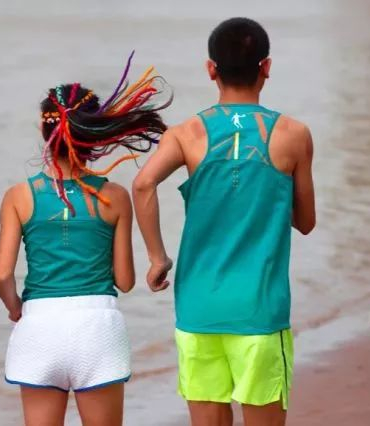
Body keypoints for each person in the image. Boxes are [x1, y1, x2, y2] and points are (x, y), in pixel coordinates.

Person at [133, 17, 316, 426]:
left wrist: (158, 257)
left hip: (198, 307)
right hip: (258, 309)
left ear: (211, 69)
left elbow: (143, 184)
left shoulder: (186, 133)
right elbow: (305, 222)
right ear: (266, 67)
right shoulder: (293, 133)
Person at [0, 56, 171, 426]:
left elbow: (2, 274)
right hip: (97, 330)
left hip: (39, 327)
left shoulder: (18, 196)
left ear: (45, 131)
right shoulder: (114, 196)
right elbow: (124, 281)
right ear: (95, 134)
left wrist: (15, 308)